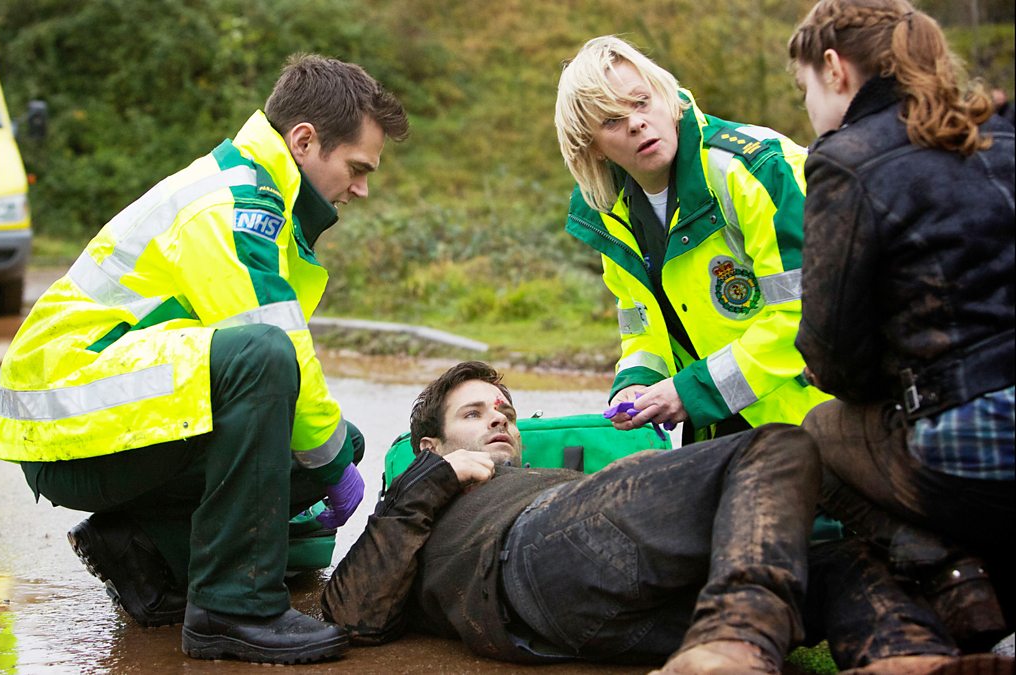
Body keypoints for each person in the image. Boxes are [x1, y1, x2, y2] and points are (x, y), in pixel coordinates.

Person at [0, 54, 408, 665]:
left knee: (328, 438)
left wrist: (334, 455)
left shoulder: (250, 190)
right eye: (357, 168)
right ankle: (234, 609)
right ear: (304, 141)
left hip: (96, 416)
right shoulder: (232, 203)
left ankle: (141, 549)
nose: (361, 188)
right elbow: (270, 341)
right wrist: (331, 465)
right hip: (69, 423)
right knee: (269, 367)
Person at [322, 361, 820, 674]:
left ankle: (873, 649)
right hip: (527, 551)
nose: (498, 419)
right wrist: (432, 479)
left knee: (820, 570)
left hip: (588, 622)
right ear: (429, 447)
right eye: (472, 414)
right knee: (777, 445)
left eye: (505, 415)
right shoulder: (414, 510)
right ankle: (737, 636)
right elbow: (352, 616)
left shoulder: (534, 475)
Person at [789, 0, 1015, 671]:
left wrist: (884, 384)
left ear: (834, 69)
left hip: (976, 441)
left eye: (803, 88)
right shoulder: (1001, 133)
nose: (808, 107)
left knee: (818, 435)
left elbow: (833, 354)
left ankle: (952, 571)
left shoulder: (845, 160)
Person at [555, 36, 829, 443]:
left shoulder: (757, 169)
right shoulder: (610, 211)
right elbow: (640, 326)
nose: (636, 122)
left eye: (641, 101)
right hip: (720, 425)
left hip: (816, 420)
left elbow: (806, 314)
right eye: (611, 120)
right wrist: (637, 381)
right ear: (592, 147)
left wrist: (693, 391)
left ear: (666, 96)